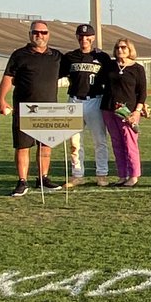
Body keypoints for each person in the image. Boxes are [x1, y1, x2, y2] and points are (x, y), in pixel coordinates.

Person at [0, 20, 64, 197]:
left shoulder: (56, 56)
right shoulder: (19, 55)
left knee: (45, 147)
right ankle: (22, 181)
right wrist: (1, 100)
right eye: (36, 32)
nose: (39, 35)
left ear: (49, 34)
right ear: (30, 34)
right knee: (23, 147)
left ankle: (43, 178)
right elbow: (8, 78)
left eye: (43, 32)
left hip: (49, 110)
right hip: (25, 108)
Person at [60, 23, 112, 187]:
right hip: (74, 101)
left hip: (94, 100)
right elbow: (55, 73)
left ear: (93, 38)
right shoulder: (69, 57)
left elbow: (112, 79)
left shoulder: (102, 57)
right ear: (77, 37)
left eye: (87, 36)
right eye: (81, 36)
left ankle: (102, 174)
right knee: (75, 141)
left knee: (99, 140)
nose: (84, 39)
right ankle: (77, 174)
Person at [101, 37, 148, 188]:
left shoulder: (137, 69)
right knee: (117, 143)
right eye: (117, 48)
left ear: (129, 50)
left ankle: (134, 175)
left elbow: (142, 92)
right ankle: (122, 175)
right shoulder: (110, 67)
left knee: (130, 142)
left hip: (127, 112)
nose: (120, 50)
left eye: (123, 48)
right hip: (108, 109)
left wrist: (138, 111)